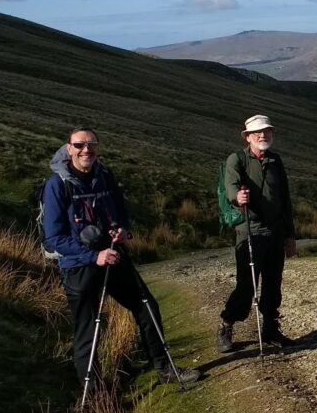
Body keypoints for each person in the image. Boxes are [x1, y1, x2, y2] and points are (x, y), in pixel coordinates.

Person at [42, 128, 201, 389]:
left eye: (91, 144)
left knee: (147, 306)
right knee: (88, 329)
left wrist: (121, 228)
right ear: (69, 148)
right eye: (79, 145)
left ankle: (165, 369)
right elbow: (53, 238)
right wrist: (93, 256)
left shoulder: (104, 175)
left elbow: (120, 209)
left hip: (113, 255)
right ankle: (93, 394)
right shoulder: (56, 185)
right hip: (79, 266)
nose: (86, 150)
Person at [217, 115, 298, 353]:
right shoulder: (237, 159)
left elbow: (285, 200)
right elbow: (231, 185)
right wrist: (237, 197)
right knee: (247, 285)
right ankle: (226, 323)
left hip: (274, 232)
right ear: (248, 137)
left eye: (267, 132)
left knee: (273, 284)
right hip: (250, 231)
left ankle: (270, 329)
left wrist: (290, 235)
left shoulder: (276, 160)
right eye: (258, 133)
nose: (263, 136)